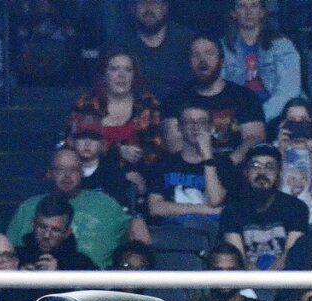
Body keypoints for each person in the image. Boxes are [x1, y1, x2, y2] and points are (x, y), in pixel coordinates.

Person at [8, 149, 147, 268]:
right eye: (61, 170)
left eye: (73, 170)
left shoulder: (107, 204)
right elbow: (7, 253)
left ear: (82, 173)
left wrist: (136, 219)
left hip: (96, 289)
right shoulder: (28, 207)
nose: (67, 175)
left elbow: (135, 244)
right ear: (49, 173)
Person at [68, 48, 164, 189]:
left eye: (128, 70)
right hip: (93, 178)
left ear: (134, 75)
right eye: (114, 69)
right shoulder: (86, 104)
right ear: (104, 74)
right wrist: (117, 152)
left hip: (139, 178)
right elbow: (72, 144)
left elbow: (155, 148)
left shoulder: (148, 104)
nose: (121, 75)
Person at [165, 35, 267, 165]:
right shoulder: (175, 99)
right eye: (196, 55)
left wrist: (228, 164)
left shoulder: (245, 96)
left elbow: (255, 138)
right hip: (190, 172)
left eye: (209, 54)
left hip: (233, 171)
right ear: (189, 62)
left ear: (221, 60)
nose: (202, 60)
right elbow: (175, 144)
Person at [146, 104, 234, 236]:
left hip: (212, 235)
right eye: (188, 122)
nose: (195, 127)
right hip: (173, 234)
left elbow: (215, 200)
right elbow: (155, 208)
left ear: (211, 128)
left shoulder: (224, 164)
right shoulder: (164, 163)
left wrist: (208, 158)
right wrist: (203, 210)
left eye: (202, 122)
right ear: (180, 128)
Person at [220, 144, 308, 270]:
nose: (262, 172)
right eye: (255, 166)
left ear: (279, 173)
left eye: (270, 167)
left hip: (285, 282)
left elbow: (290, 255)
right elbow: (237, 257)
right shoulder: (231, 210)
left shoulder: (296, 207)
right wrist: (259, 284)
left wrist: (267, 282)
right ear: (246, 172)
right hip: (245, 282)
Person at [219, 0, 302, 122]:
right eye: (242, 6)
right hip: (238, 112)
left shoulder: (282, 45)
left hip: (277, 113)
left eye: (254, 5)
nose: (249, 11)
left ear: (262, 12)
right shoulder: (222, 47)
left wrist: (260, 116)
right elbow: (219, 87)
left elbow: (289, 91)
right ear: (233, 13)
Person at [110, 0, 196, 101]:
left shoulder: (188, 41)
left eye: (155, 2)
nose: (149, 8)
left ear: (165, 7)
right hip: (133, 111)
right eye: (142, 2)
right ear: (132, 8)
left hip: (181, 110)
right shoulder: (118, 44)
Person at [17, 195, 98, 271]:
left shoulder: (82, 265)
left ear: (67, 233)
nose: (46, 235)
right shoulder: (16, 258)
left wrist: (59, 276)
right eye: (42, 227)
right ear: (33, 224)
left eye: (55, 230)